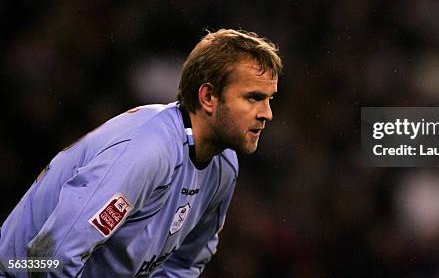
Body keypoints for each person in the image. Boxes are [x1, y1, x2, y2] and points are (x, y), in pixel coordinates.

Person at [0, 29, 282, 277]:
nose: (266, 114)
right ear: (208, 97)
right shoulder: (148, 150)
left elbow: (184, 264)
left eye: (269, 99)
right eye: (253, 98)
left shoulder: (224, 165)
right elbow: (51, 259)